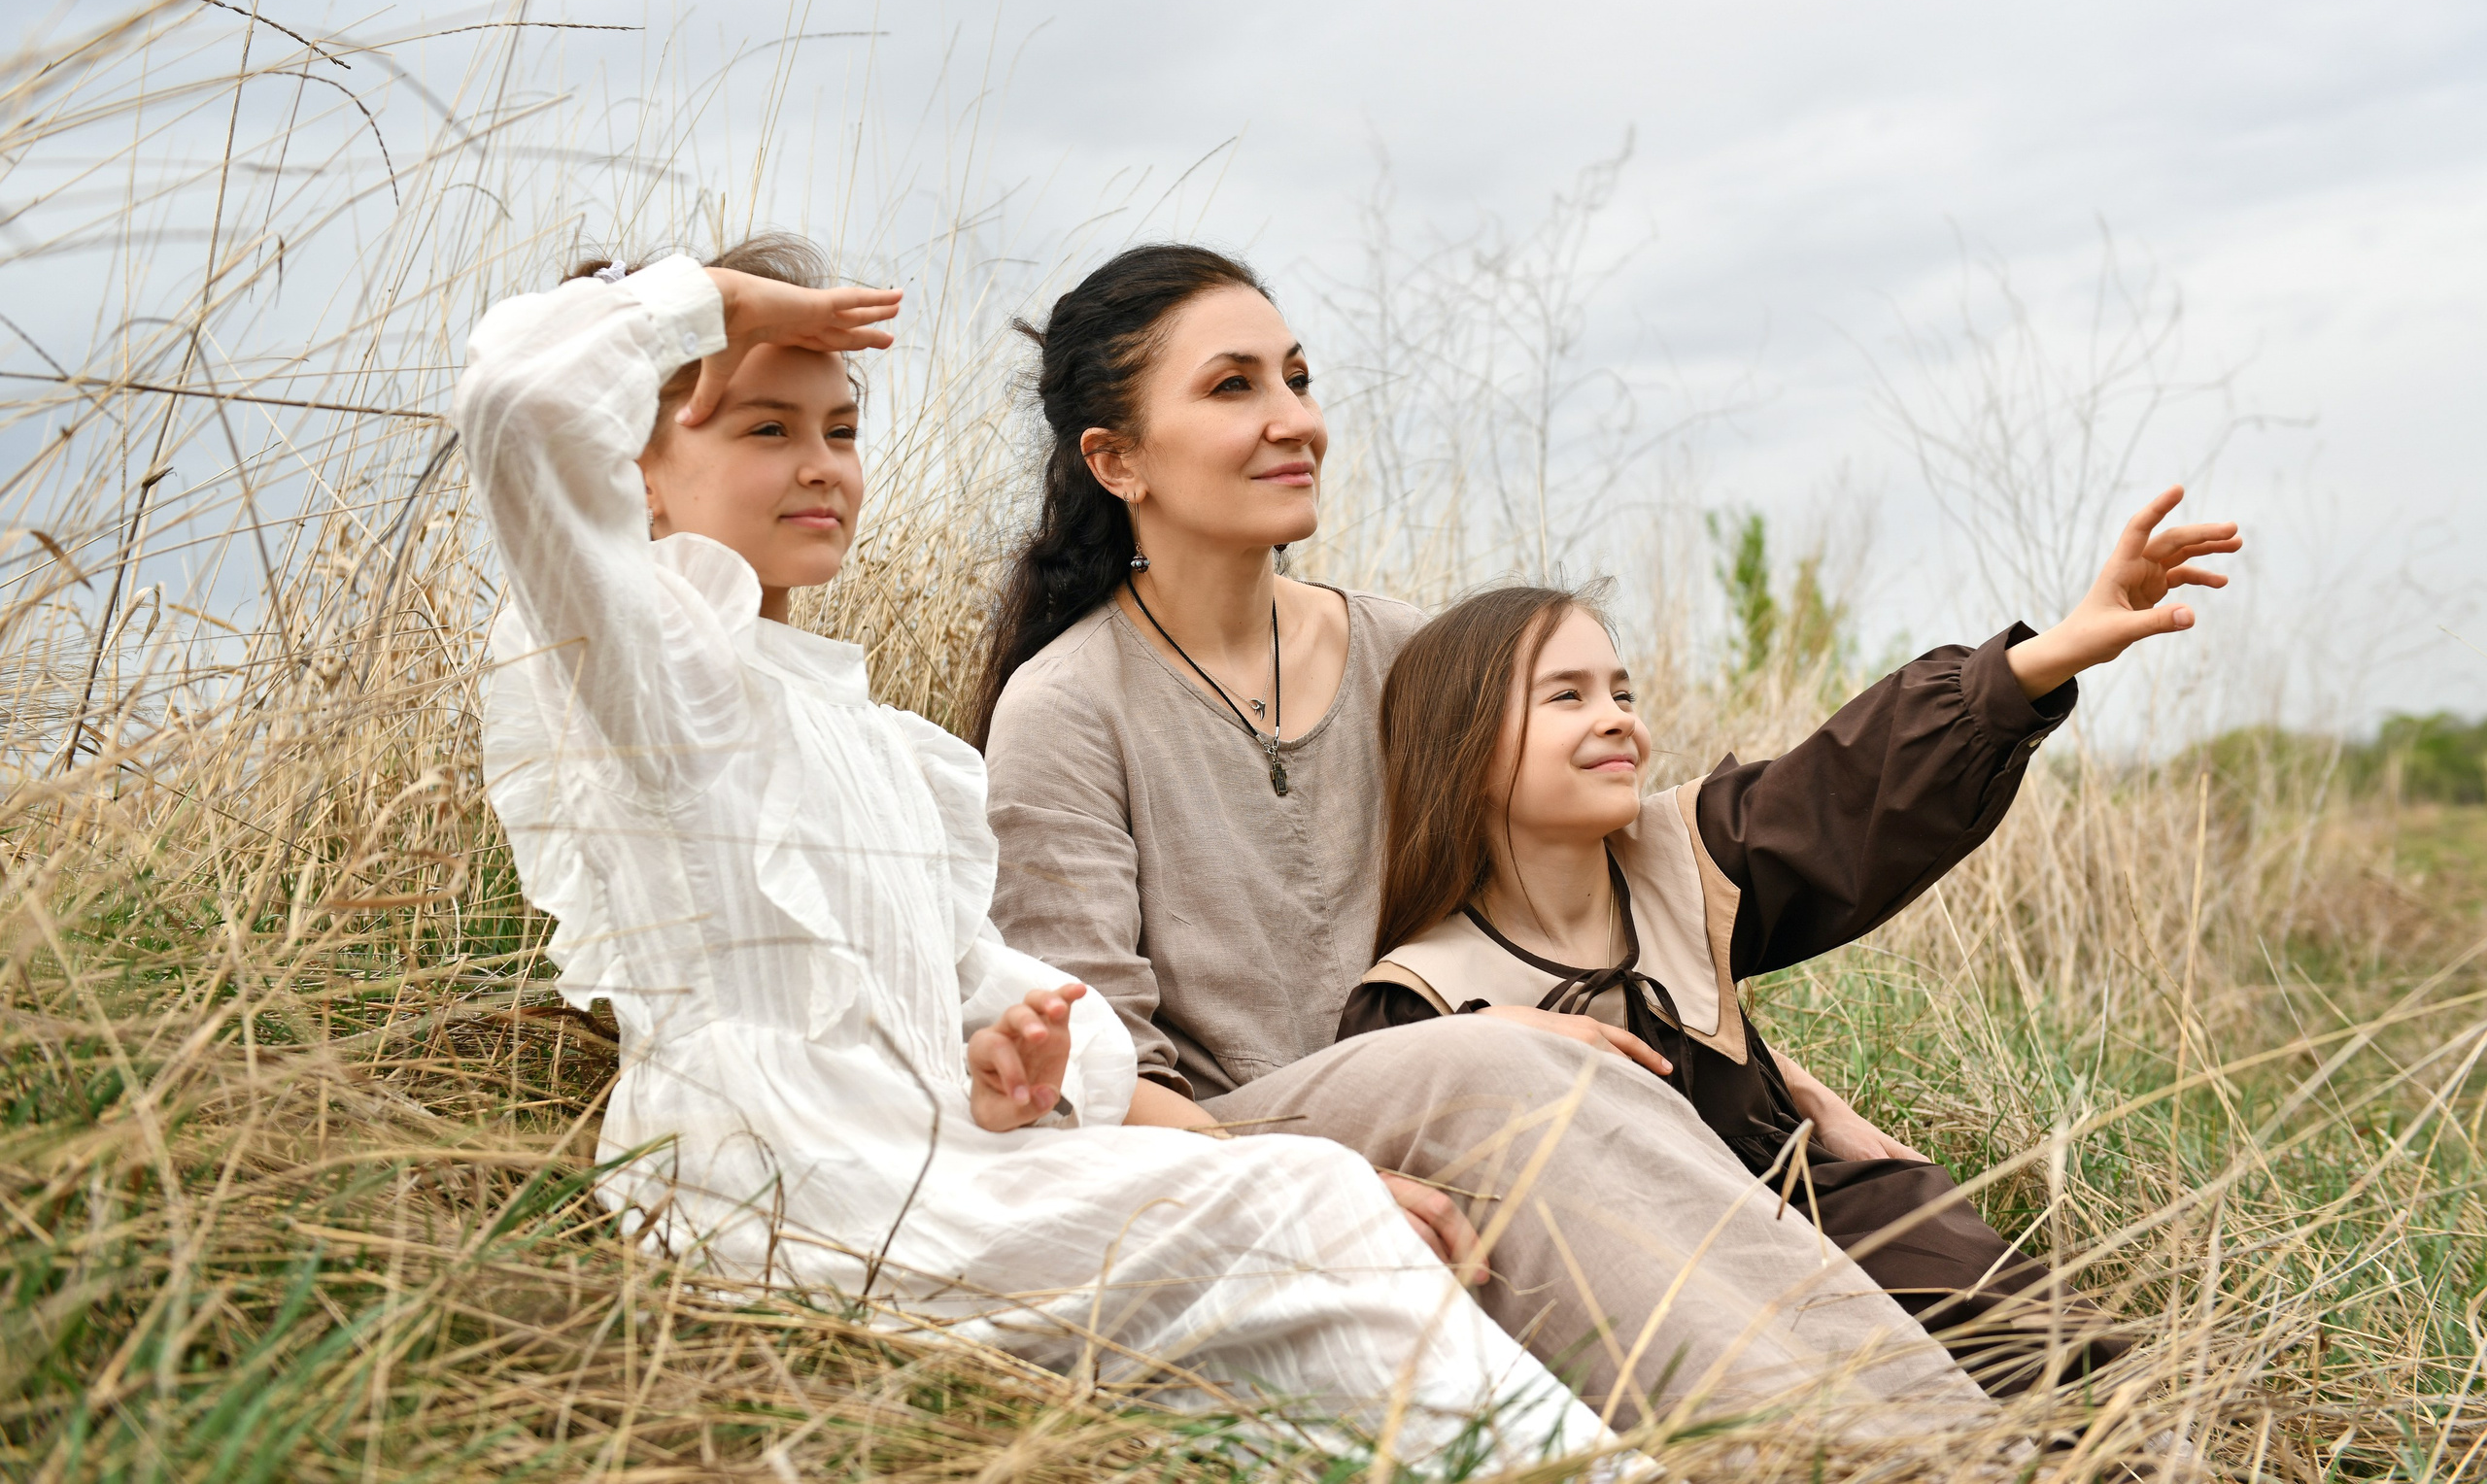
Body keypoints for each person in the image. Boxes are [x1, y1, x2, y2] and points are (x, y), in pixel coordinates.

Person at [454, 234, 1634, 1472]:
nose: (819, 468)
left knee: (1313, 1211)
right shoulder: (641, 677)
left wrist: (1010, 1066)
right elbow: (518, 398)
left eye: (841, 432)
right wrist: (717, 301)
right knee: (1306, 1208)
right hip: (779, 1191)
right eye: (763, 430)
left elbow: (982, 985)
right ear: (637, 476)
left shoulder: (880, 743)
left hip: (937, 1166)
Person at [978, 245, 1996, 1425]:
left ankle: (1954, 1441)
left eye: (1297, 378)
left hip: (1501, 1079)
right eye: (1232, 388)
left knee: (1812, 1196)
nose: (1293, 420)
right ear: (1116, 460)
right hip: (1239, 1137)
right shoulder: (1065, 709)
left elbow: (1588, 893)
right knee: (1513, 1066)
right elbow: (1101, 1070)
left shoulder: (1410, 653)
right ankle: (1863, 1453)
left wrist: (1784, 1086)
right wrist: (1318, 1188)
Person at [1337, 530, 2234, 1392]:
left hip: (1827, 1220)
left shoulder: (1687, 852)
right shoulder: (1421, 1001)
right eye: (1566, 696)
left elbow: (1847, 786)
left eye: (1623, 692)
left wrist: (2052, 654)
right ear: (1461, 746)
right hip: (1665, 1320)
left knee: (2057, 1359)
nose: (1616, 720)